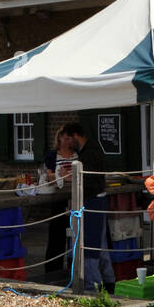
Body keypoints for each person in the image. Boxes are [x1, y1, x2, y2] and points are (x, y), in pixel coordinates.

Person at [62, 122, 114, 294]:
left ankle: (93, 287)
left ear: (76, 136)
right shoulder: (90, 150)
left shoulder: (89, 154)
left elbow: (89, 182)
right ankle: (108, 283)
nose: (68, 143)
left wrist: (69, 179)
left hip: (92, 202)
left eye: (69, 138)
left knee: (90, 246)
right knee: (101, 245)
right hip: (97, 201)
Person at [43, 128, 75, 273]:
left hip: (74, 197)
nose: (69, 141)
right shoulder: (52, 155)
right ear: (60, 138)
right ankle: (52, 268)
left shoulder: (77, 155)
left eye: (71, 138)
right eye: (66, 138)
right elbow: (49, 176)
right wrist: (65, 176)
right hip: (58, 197)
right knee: (56, 233)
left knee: (74, 233)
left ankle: (72, 265)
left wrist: (65, 176)